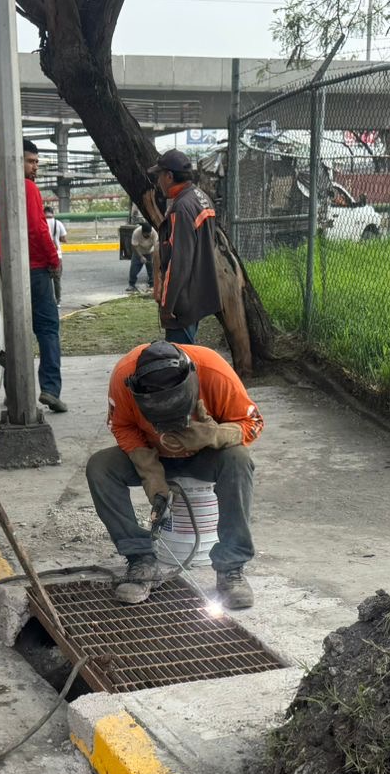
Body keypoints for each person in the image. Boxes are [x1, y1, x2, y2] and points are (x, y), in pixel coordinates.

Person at [85, 340, 263, 610]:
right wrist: (150, 473)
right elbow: (122, 426)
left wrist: (217, 435)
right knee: (100, 467)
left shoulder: (213, 371)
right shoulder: (123, 377)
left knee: (238, 459)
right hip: (155, 455)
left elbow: (254, 423)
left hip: (204, 455)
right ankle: (141, 560)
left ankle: (231, 568)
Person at [0, 139, 65, 413]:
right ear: (15, 160)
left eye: (36, 163)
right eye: (30, 161)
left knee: (11, 332)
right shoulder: (28, 188)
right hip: (35, 269)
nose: (34, 168)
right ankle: (50, 388)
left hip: (2, 270)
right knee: (47, 329)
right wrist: (54, 261)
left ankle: (13, 391)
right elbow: (38, 230)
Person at [149, 149, 222, 345]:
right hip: (198, 293)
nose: (158, 183)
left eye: (159, 176)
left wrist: (167, 306)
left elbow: (178, 263)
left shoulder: (181, 208)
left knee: (180, 362)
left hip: (183, 301)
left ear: (169, 176)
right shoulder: (201, 197)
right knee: (188, 354)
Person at [44, 193, 68, 304]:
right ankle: (58, 301)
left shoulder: (42, 222)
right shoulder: (58, 223)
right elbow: (64, 239)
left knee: (46, 280)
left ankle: (48, 300)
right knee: (57, 280)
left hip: (44, 256)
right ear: (52, 214)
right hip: (57, 255)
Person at [128, 221, 157, 293]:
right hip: (139, 252)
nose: (148, 235)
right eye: (146, 234)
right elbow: (134, 246)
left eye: (149, 234)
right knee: (134, 269)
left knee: (152, 269)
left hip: (150, 252)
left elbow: (156, 246)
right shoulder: (136, 232)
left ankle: (152, 285)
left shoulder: (154, 232)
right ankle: (131, 285)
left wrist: (153, 257)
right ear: (142, 232)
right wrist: (141, 256)